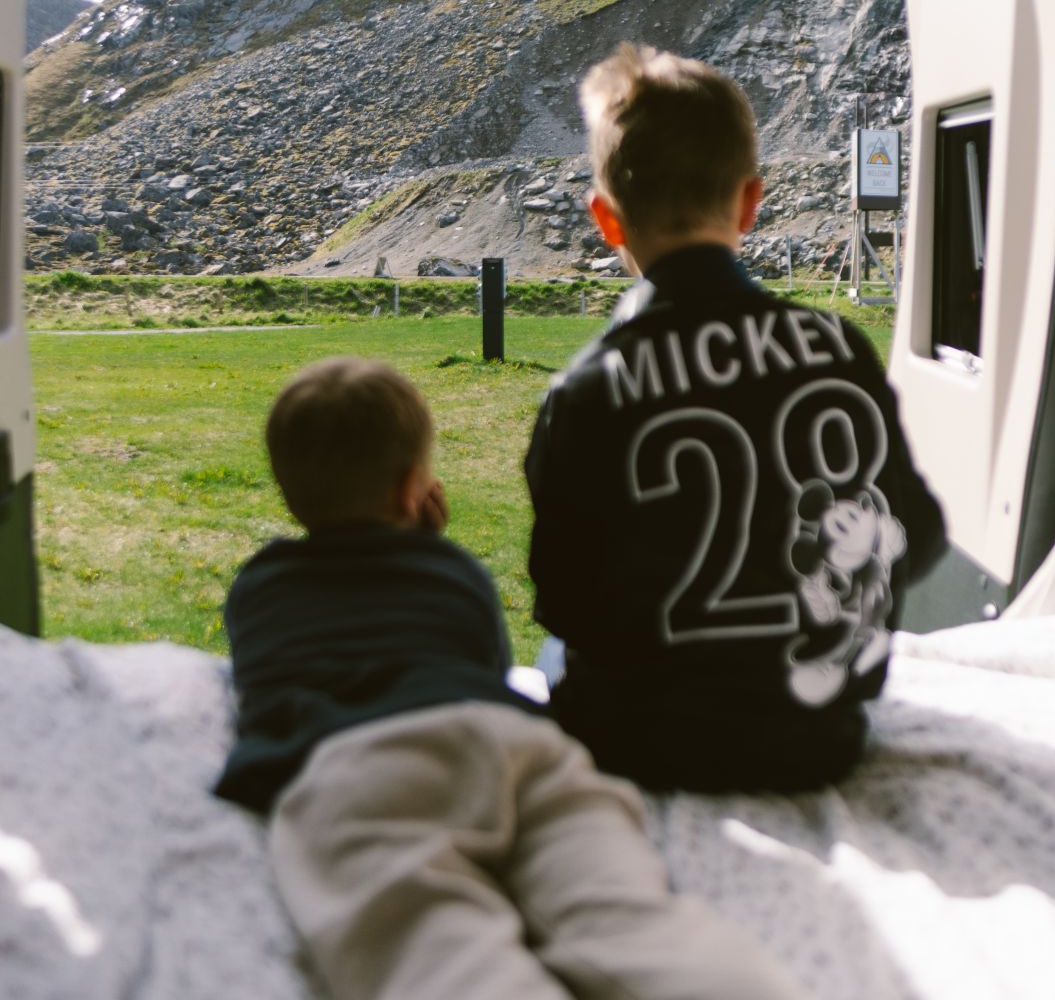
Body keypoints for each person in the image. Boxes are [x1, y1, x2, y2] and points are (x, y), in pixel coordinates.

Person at [216, 357, 808, 1000]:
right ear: (416, 488)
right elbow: (487, 667)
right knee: (615, 901)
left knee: (428, 940)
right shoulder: (454, 575)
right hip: (511, 741)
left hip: (364, 763)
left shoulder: (259, 586)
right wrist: (431, 544)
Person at [527, 44, 948, 794]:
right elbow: (922, 531)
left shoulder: (587, 389)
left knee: (553, 656)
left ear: (606, 220)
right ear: (752, 203)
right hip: (819, 738)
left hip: (640, 743)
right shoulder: (839, 345)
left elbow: (564, 599)